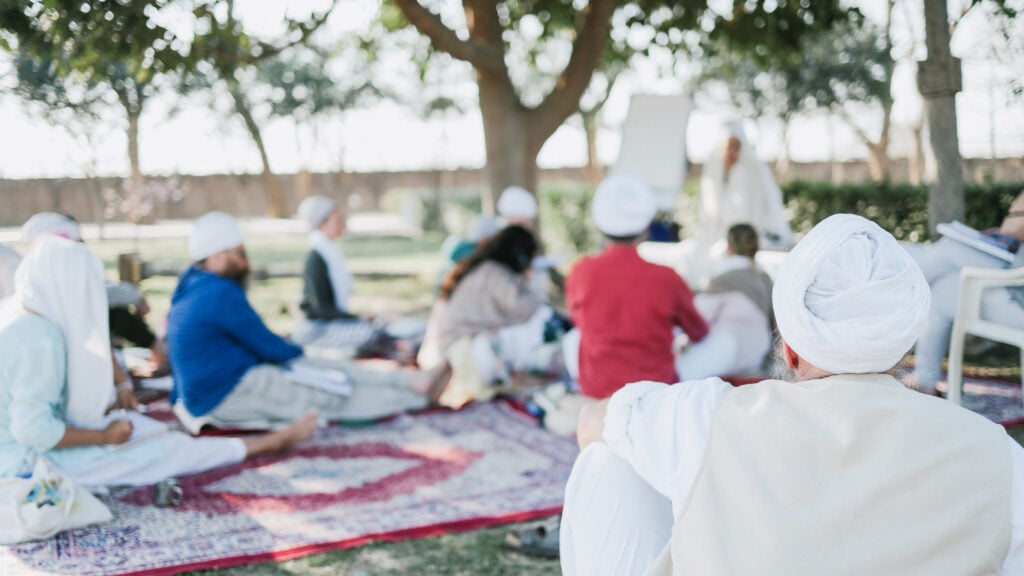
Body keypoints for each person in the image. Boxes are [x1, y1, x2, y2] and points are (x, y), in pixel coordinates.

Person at [560, 214, 1024, 576]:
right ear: (903, 345)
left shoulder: (705, 416)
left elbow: (590, 424)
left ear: (791, 348)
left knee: (608, 458)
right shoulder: (999, 455)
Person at [0, 237, 317, 487]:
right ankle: (267, 443)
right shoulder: (40, 341)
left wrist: (122, 384)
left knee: (143, 428)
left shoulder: (22, 310)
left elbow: (87, 343)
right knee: (162, 450)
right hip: (20, 463)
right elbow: (33, 431)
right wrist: (103, 437)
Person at [166, 211, 429, 433]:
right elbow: (267, 345)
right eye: (239, 254)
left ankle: (411, 382)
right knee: (326, 391)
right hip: (227, 392)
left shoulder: (190, 286)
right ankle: (416, 395)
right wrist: (297, 355)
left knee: (325, 369)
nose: (245, 263)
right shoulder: (217, 291)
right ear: (218, 255)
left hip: (227, 381)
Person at [565, 175, 732, 401]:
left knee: (573, 338)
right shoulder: (666, 277)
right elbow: (698, 332)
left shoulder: (579, 272)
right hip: (655, 388)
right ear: (644, 227)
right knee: (725, 343)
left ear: (601, 225)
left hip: (597, 386)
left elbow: (579, 322)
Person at [19, 212, 168, 375]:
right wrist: (136, 296)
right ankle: (157, 352)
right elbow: (101, 295)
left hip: (82, 337)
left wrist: (134, 295)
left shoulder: (69, 265)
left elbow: (102, 287)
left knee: (116, 312)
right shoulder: (46, 273)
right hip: (62, 343)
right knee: (116, 313)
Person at [417, 225, 545, 408]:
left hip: (443, 349)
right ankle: (519, 374)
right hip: (458, 351)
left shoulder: (478, 266)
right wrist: (529, 280)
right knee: (534, 322)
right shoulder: (493, 272)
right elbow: (526, 308)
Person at [912, 190, 1024, 395]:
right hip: (1014, 287)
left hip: (1018, 294)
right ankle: (926, 384)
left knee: (950, 247)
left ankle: (897, 295)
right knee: (942, 291)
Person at [291, 195, 376, 350]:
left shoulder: (330, 252)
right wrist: (357, 320)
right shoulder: (316, 258)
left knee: (378, 327)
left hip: (330, 323)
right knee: (369, 332)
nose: (343, 224)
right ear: (321, 224)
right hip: (317, 329)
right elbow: (322, 309)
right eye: (337, 220)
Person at [693, 222, 776, 375]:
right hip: (760, 357)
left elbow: (697, 319)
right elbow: (775, 323)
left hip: (726, 358)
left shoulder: (721, 280)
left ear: (728, 247)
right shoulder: (765, 279)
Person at [699, 120, 792, 248]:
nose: (732, 152)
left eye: (736, 147)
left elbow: (762, 203)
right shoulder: (715, 171)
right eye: (729, 146)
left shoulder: (753, 170)